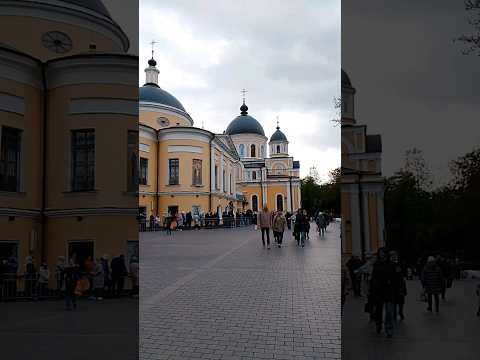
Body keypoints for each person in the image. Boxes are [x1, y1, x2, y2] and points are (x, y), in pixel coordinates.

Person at [369, 247, 395, 337]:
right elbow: (373, 277)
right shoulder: (376, 264)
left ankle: (389, 329)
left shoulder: (391, 264)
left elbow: (396, 277)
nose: (381, 254)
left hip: (388, 290)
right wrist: (372, 289)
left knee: (389, 311)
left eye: (383, 253)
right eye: (380, 253)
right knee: (378, 310)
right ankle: (378, 324)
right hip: (378, 290)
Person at [390, 251, 407, 321]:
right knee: (393, 301)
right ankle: (394, 314)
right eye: (392, 256)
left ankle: (400, 312)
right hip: (392, 285)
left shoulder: (400, 263)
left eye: (395, 255)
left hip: (400, 284)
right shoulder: (389, 264)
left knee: (401, 300)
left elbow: (403, 272)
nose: (394, 257)